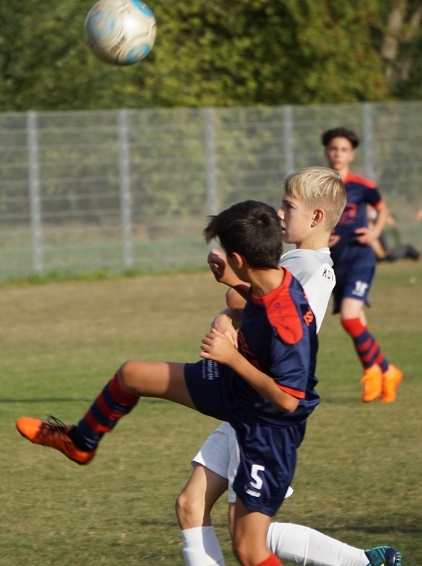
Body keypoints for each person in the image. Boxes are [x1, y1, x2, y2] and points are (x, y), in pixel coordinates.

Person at [18, 200, 318, 566]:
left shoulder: (287, 316)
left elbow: (288, 400)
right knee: (132, 375)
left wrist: (231, 357)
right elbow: (252, 298)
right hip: (235, 388)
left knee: (249, 550)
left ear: (240, 257)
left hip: (269, 428)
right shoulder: (268, 280)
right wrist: (232, 281)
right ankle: (81, 443)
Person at [176, 168, 400, 566]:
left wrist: (230, 290)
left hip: (261, 404)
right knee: (192, 506)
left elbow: (248, 303)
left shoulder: (306, 268)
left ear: (316, 218)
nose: (279, 214)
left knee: (246, 537)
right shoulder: (302, 260)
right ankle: (365, 563)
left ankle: (362, 563)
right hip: (247, 396)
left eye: (288, 206)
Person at [322, 127, 402, 404]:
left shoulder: (363, 187)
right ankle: (387, 371)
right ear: (326, 152)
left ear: (351, 154)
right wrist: (320, 235)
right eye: (333, 148)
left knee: (349, 317)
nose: (337, 154)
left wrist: (375, 232)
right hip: (334, 262)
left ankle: (371, 371)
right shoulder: (320, 186)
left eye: (343, 149)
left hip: (360, 258)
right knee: (356, 324)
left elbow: (383, 209)